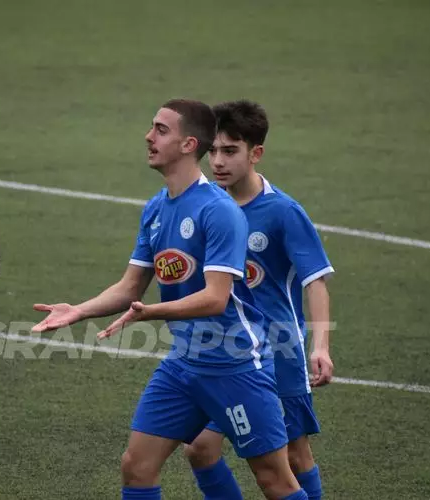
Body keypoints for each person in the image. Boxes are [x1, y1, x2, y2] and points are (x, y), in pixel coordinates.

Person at [33, 100, 308, 500]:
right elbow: (130, 287)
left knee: (274, 480)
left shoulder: (219, 211)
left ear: (188, 144)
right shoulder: (156, 208)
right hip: (184, 363)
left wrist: (151, 313)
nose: (149, 137)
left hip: (234, 365)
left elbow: (215, 298)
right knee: (137, 466)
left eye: (161, 130)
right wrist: (78, 310)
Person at [183, 100, 334, 500]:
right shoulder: (207, 206)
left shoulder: (282, 212)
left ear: (256, 153)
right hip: (227, 351)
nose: (218, 161)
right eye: (213, 150)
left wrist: (321, 346)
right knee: (199, 447)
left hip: (279, 350)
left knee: (295, 456)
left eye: (230, 151)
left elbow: (316, 281)